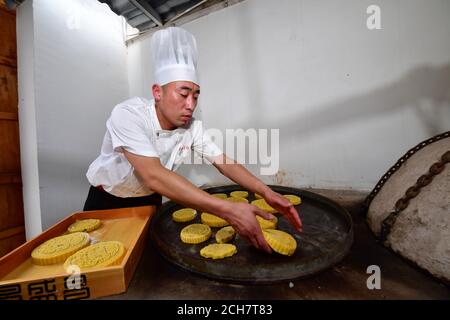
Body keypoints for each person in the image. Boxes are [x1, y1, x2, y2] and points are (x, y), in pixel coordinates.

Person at [84, 27, 302, 253]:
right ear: (158, 92)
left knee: (147, 259)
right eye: (183, 93)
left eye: (196, 96)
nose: (191, 104)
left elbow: (223, 162)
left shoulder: (191, 127)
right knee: (99, 261)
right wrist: (228, 209)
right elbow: (153, 175)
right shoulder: (129, 114)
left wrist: (265, 191)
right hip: (107, 200)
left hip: (148, 201)